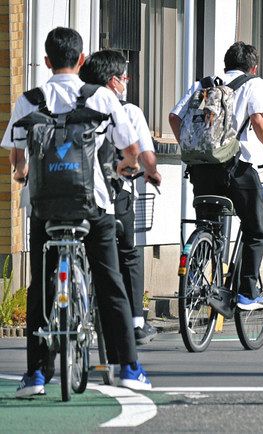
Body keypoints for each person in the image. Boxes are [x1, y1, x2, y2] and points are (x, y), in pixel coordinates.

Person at [2, 27, 151, 397]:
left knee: (41, 283)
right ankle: (128, 367)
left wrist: (24, 174)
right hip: (93, 204)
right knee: (109, 280)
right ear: (82, 60)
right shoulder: (101, 97)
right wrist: (122, 169)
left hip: (45, 207)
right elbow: (130, 150)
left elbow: (16, 158)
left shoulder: (29, 99)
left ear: (47, 60)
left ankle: (37, 375)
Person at [169, 41, 263, 310]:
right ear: (253, 66)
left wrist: (191, 148)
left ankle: (199, 281)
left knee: (208, 228)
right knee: (256, 231)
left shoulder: (204, 85)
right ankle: (247, 292)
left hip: (201, 169)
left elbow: (174, 117)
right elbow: (257, 120)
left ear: (226, 63)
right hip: (237, 167)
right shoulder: (256, 84)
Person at [79, 49, 162, 345]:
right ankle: (136, 322)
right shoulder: (126, 110)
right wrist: (152, 172)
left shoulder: (70, 104)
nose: (127, 81)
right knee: (128, 253)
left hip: (70, 194)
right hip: (114, 195)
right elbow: (144, 155)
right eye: (125, 77)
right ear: (114, 81)